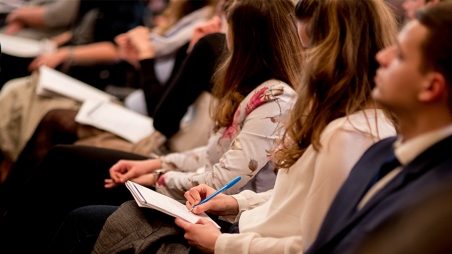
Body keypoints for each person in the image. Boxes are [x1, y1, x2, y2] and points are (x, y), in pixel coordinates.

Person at [50, 0, 398, 253]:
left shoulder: (339, 128)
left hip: (236, 240)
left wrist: (221, 241)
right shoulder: (325, 116)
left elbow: (314, 242)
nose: (301, 59)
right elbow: (287, 199)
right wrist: (229, 203)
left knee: (82, 211)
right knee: (77, 184)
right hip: (236, 224)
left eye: (308, 49)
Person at [0, 0, 304, 252]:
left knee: (69, 172)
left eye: (230, 30)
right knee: (63, 159)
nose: (226, 39)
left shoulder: (276, 98)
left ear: (248, 40)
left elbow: (218, 179)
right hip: (181, 171)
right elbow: (211, 154)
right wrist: (156, 164)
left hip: (210, 210)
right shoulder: (254, 87)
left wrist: (157, 175)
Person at [304, 2, 452, 253]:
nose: (382, 57)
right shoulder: (378, 153)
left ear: (431, 87)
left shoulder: (440, 195)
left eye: (401, 56)